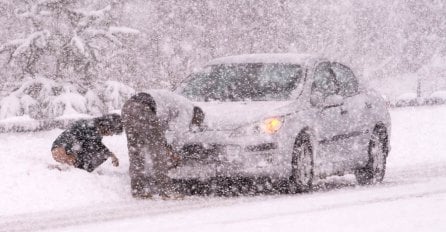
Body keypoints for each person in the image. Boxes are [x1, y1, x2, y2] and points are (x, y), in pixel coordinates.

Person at [122, 90, 194, 199]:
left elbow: (159, 130)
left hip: (128, 107)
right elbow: (180, 132)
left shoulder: (173, 102)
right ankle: (166, 190)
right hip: (143, 109)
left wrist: (167, 146)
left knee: (136, 152)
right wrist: (174, 151)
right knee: (158, 155)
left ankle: (138, 189)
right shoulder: (188, 108)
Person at [51, 113, 123, 172]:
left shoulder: (94, 126)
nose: (111, 135)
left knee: (99, 153)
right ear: (107, 126)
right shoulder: (91, 127)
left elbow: (97, 144)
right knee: (99, 154)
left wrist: (111, 154)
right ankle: (71, 169)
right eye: (112, 132)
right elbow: (94, 145)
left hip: (62, 149)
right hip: (61, 150)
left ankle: (74, 168)